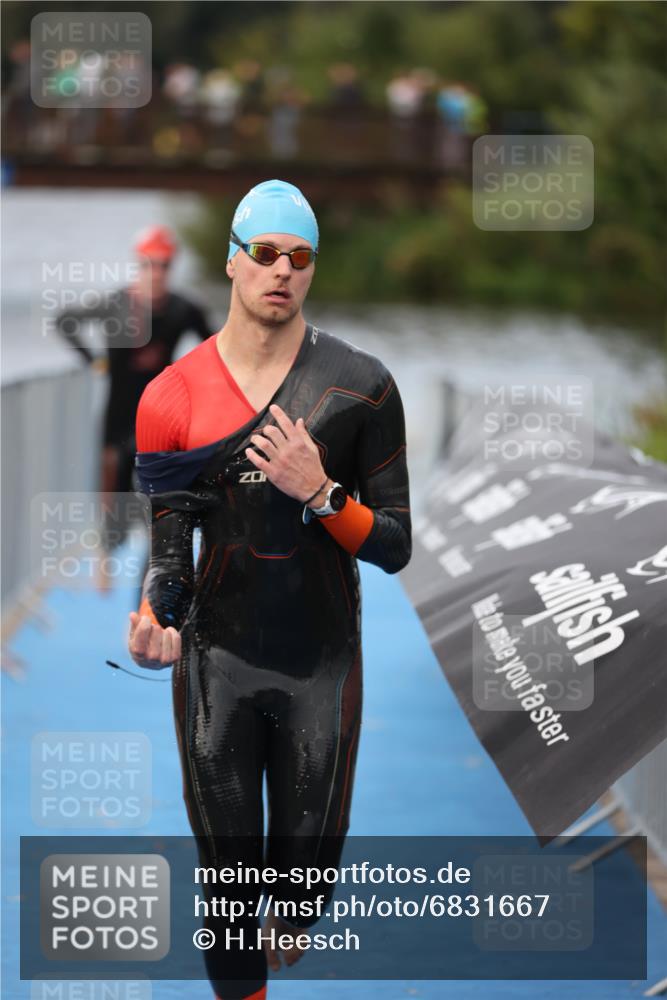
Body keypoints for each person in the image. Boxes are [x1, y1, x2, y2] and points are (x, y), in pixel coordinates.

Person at [127, 180, 412, 1000]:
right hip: (217, 661)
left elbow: (393, 548)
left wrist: (322, 493)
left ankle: (296, 903)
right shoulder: (171, 398)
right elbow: (171, 557)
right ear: (232, 262)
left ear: (311, 270)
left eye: (300, 257)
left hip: (320, 662)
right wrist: (155, 616)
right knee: (226, 888)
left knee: (297, 890)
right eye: (265, 254)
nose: (281, 271)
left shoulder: (361, 386)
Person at [56, 225, 214, 591]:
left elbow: (215, 346)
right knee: (111, 498)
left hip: (160, 422)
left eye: (163, 266)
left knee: (158, 501)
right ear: (138, 265)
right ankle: (103, 562)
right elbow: (65, 321)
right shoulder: (116, 305)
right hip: (117, 418)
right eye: (149, 265)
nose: (155, 273)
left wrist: (189, 380)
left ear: (170, 268)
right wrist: (93, 361)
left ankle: (154, 568)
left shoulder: (182, 309)